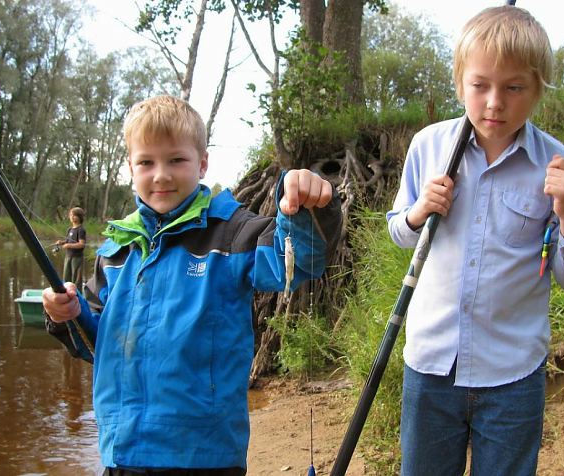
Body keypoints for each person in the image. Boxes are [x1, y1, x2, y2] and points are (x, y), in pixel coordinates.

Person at [42, 95, 342, 475]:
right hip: (122, 453)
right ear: (130, 168)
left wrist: (306, 204)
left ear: (202, 164)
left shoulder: (233, 234)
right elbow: (95, 345)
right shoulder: (114, 252)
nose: (161, 174)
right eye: (146, 162)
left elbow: (300, 260)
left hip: (205, 456)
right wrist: (67, 314)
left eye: (176, 160)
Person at [386, 6, 564, 476]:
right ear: (460, 82)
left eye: (514, 87)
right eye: (480, 85)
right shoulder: (428, 146)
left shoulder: (559, 164)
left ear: (539, 89)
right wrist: (420, 211)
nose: (494, 103)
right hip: (430, 367)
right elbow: (398, 231)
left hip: (513, 377)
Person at [55, 207, 86, 290]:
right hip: (68, 257)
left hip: (77, 258)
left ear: (80, 217)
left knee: (76, 279)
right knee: (66, 277)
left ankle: (77, 296)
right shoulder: (70, 229)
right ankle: (67, 294)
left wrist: (68, 245)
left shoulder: (81, 230)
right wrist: (62, 242)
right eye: (71, 215)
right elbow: (68, 241)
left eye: (75, 215)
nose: (72, 217)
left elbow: (81, 244)